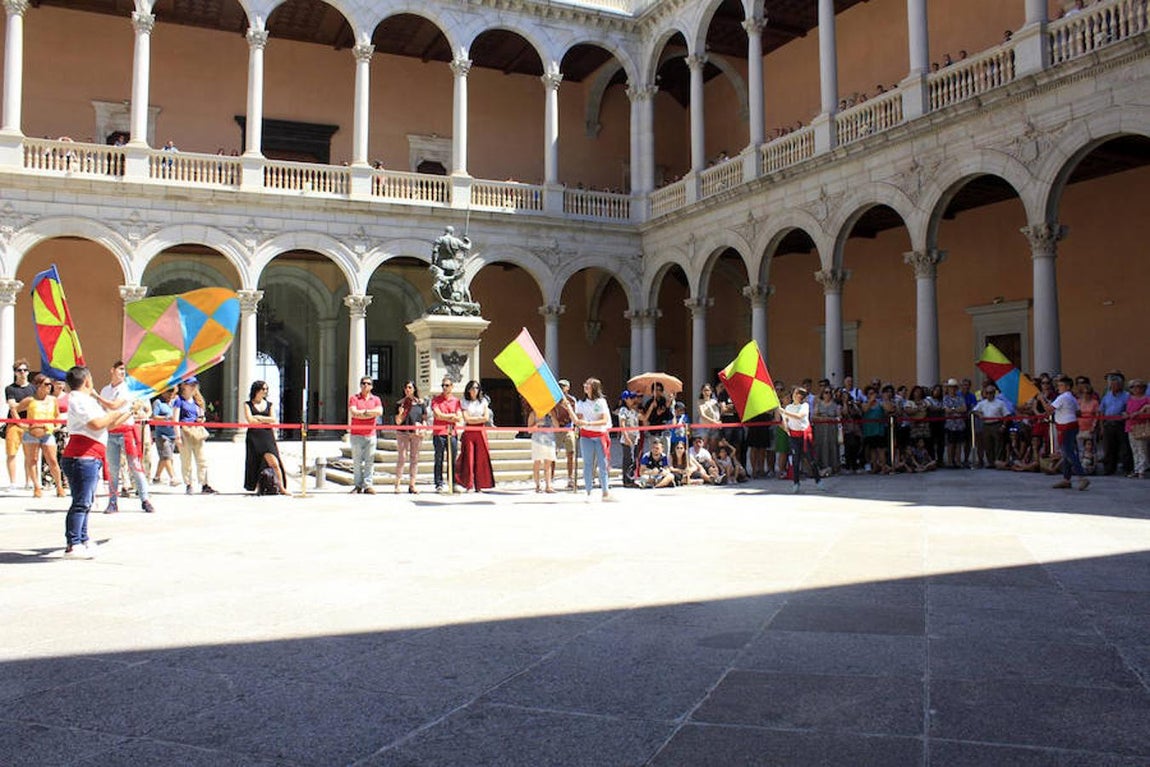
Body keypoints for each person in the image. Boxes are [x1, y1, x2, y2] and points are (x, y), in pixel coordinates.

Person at [60, 365, 132, 557]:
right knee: (81, 502)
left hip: (90, 456)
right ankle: (73, 543)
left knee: (86, 501)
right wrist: (115, 412)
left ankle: (82, 538)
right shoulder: (77, 400)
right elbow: (97, 423)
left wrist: (129, 411)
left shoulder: (87, 400)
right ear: (87, 381)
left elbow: (108, 424)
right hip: (81, 456)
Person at [97, 361, 154, 514]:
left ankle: (144, 499)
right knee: (113, 469)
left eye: (124, 370)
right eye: (120, 369)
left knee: (135, 466)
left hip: (125, 431)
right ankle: (113, 501)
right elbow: (105, 410)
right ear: (112, 370)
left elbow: (116, 406)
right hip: (111, 433)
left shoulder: (126, 389)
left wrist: (96, 396)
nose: (122, 372)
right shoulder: (105, 390)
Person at [17, 373, 64, 497]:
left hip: (47, 433)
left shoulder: (53, 400)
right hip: (31, 433)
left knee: (52, 460)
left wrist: (57, 425)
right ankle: (37, 487)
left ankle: (59, 486)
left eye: (50, 384)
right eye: (46, 384)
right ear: (38, 385)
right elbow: (14, 409)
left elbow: (57, 414)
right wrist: (21, 424)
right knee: (32, 460)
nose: (49, 387)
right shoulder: (30, 400)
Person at [1041, 375, 1090, 491]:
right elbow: (1078, 412)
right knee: (1066, 453)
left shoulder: (1062, 397)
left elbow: (1049, 409)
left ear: (1067, 387)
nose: (1058, 387)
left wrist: (1041, 399)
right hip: (1072, 425)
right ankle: (1066, 479)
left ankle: (1082, 477)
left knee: (1069, 453)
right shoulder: (1072, 397)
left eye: (1061, 385)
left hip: (1066, 427)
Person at [243, 380, 289, 495]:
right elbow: (250, 421)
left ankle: (282, 488)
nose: (265, 391)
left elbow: (273, 420)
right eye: (263, 389)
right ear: (256, 390)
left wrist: (258, 417)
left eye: (266, 389)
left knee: (274, 462)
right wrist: (264, 420)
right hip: (254, 437)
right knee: (255, 462)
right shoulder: (247, 404)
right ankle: (259, 487)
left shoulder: (270, 405)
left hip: (267, 436)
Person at [173, 378, 215, 494]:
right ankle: (189, 484)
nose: (193, 387)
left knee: (202, 459)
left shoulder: (197, 400)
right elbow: (175, 419)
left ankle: (204, 483)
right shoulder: (179, 400)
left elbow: (202, 415)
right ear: (184, 386)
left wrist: (201, 419)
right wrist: (177, 437)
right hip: (185, 431)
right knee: (186, 460)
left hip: (197, 431)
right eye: (190, 384)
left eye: (194, 384)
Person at [574, 377, 613, 501]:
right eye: (585, 384)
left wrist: (589, 423)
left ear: (594, 388)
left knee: (602, 464)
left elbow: (604, 420)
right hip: (586, 436)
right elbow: (579, 420)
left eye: (588, 385)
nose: (585, 386)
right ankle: (588, 492)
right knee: (587, 464)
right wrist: (575, 418)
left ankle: (605, 492)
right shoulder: (580, 403)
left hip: (600, 435)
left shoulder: (601, 402)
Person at [781, 387, 825, 493]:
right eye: (795, 393)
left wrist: (784, 412)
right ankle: (796, 483)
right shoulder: (788, 407)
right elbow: (785, 421)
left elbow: (799, 416)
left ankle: (818, 480)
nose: (795, 396)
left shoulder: (804, 406)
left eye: (798, 394)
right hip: (793, 436)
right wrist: (785, 425)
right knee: (795, 460)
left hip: (804, 435)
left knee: (811, 459)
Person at [455, 380, 495, 492]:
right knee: (469, 457)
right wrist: (478, 419)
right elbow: (466, 418)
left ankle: (480, 485)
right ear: (468, 390)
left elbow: (486, 417)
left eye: (477, 388)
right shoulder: (464, 402)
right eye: (472, 388)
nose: (475, 390)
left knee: (481, 458)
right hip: (469, 431)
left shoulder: (483, 402)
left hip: (481, 431)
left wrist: (476, 419)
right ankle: (468, 483)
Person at [348, 376, 383, 494]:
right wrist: (369, 413)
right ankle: (357, 485)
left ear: (372, 386)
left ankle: (368, 485)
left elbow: (379, 412)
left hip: (371, 434)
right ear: (360, 385)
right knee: (357, 461)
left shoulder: (376, 399)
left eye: (368, 383)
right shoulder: (354, 398)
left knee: (369, 461)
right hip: (356, 434)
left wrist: (364, 413)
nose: (365, 385)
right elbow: (354, 413)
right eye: (363, 383)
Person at [5, 359, 36, 490]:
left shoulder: (33, 388)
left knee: (30, 455)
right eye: (19, 370)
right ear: (15, 373)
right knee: (11, 453)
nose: (22, 372)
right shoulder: (10, 388)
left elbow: (34, 405)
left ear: (28, 372)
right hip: (13, 424)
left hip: (30, 424)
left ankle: (28, 482)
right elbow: (12, 407)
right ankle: (13, 483)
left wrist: (19, 405)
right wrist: (26, 404)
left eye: (25, 370)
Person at [394, 380, 427, 494]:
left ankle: (412, 484)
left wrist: (423, 427)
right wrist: (401, 413)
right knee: (402, 458)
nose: (408, 390)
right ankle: (397, 484)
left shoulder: (420, 404)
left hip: (416, 433)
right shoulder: (400, 403)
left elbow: (424, 418)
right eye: (406, 388)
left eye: (410, 387)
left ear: (414, 389)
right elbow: (398, 422)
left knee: (414, 459)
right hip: (402, 433)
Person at [431, 377, 463, 492]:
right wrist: (451, 416)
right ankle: (439, 483)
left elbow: (459, 417)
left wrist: (447, 417)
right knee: (439, 458)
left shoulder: (456, 401)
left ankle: (453, 482)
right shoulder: (436, 400)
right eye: (443, 385)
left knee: (452, 458)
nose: (444, 387)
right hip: (439, 433)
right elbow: (437, 415)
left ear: (452, 387)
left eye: (447, 385)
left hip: (452, 433)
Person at [1099, 371, 1132, 475]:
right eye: (1112, 384)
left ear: (1121, 385)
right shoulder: (1107, 396)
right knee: (1109, 448)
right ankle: (1109, 469)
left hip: (1121, 424)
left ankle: (1127, 468)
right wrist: (1102, 427)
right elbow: (1101, 411)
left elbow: (1129, 409)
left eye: (1116, 384)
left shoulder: (1126, 396)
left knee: (1124, 448)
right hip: (1108, 423)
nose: (1114, 386)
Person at [972, 383, 1010, 468]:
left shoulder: (1000, 403)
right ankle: (990, 462)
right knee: (987, 444)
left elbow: (1006, 415)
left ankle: (998, 461)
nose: (989, 395)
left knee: (998, 444)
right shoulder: (982, 403)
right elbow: (974, 410)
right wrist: (979, 414)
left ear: (994, 393)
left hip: (996, 423)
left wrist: (1003, 426)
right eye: (987, 393)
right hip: (986, 425)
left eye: (991, 393)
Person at [150, 387, 179, 487]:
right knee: (167, 456)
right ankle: (173, 477)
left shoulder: (174, 402)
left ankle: (157, 477)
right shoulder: (158, 403)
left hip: (172, 433)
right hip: (162, 434)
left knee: (165, 456)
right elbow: (154, 416)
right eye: (169, 392)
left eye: (172, 392)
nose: (171, 395)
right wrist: (166, 418)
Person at [555, 379, 579, 490]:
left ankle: (570, 478)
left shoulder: (571, 400)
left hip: (568, 428)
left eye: (563, 386)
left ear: (567, 388)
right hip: (556, 428)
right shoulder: (554, 399)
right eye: (560, 385)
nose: (561, 387)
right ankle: (550, 478)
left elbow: (575, 414)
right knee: (552, 455)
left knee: (571, 453)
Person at [528, 402, 557, 493]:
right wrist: (537, 424)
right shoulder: (533, 414)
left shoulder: (551, 413)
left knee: (548, 462)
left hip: (549, 439)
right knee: (537, 462)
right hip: (538, 440)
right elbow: (529, 430)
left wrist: (552, 416)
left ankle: (548, 485)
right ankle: (537, 485)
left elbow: (557, 426)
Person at [1124, 379, 1150, 479]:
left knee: (1142, 448)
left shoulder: (1147, 399)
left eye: (1139, 386)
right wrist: (1126, 414)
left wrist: (1139, 412)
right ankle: (1136, 469)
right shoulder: (1130, 399)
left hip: (1141, 427)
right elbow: (1127, 410)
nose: (1136, 388)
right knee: (1134, 449)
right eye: (1133, 387)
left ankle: (1141, 470)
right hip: (1131, 426)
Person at [812, 386, 841, 475]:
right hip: (820, 429)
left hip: (832, 429)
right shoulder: (818, 404)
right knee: (820, 446)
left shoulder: (835, 405)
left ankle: (834, 467)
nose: (827, 394)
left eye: (829, 393)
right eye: (825, 392)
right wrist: (822, 418)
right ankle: (821, 466)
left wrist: (830, 419)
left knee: (832, 446)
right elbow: (814, 416)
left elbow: (839, 417)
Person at [617, 390, 641, 487]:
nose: (633, 400)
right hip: (627, 439)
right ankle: (627, 480)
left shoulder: (634, 411)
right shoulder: (623, 410)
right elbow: (622, 424)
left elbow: (643, 418)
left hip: (635, 438)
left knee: (634, 459)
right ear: (625, 399)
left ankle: (631, 478)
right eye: (631, 398)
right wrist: (626, 437)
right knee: (628, 460)